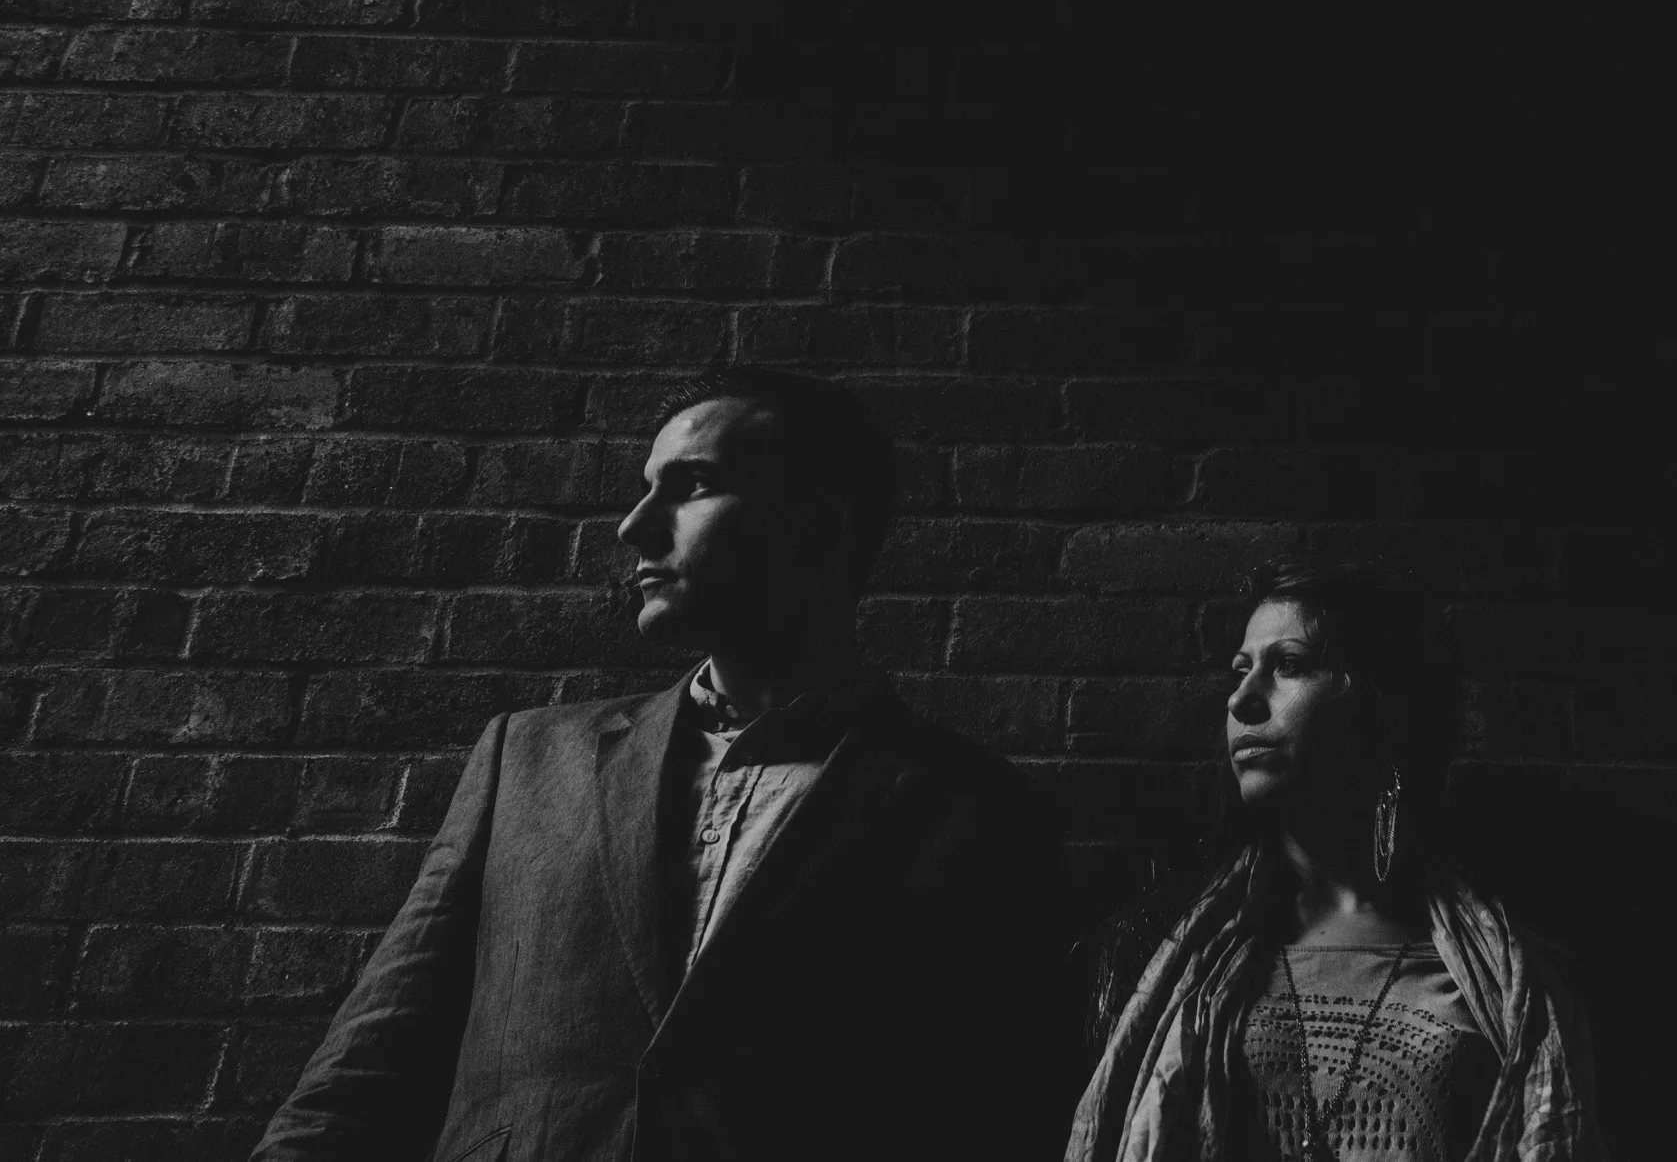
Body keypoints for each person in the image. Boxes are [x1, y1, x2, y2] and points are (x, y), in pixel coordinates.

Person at [254, 367, 1072, 1161]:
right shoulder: (526, 757)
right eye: (647, 487)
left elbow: (995, 1115)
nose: (634, 525)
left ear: (820, 525)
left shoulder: (978, 810)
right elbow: (368, 1063)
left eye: (691, 485)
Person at [1066, 563, 1609, 1161]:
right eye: (1241, 670)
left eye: (1289, 665)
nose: (1242, 699)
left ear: (1382, 707)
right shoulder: (1165, 957)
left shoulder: (1510, 974)